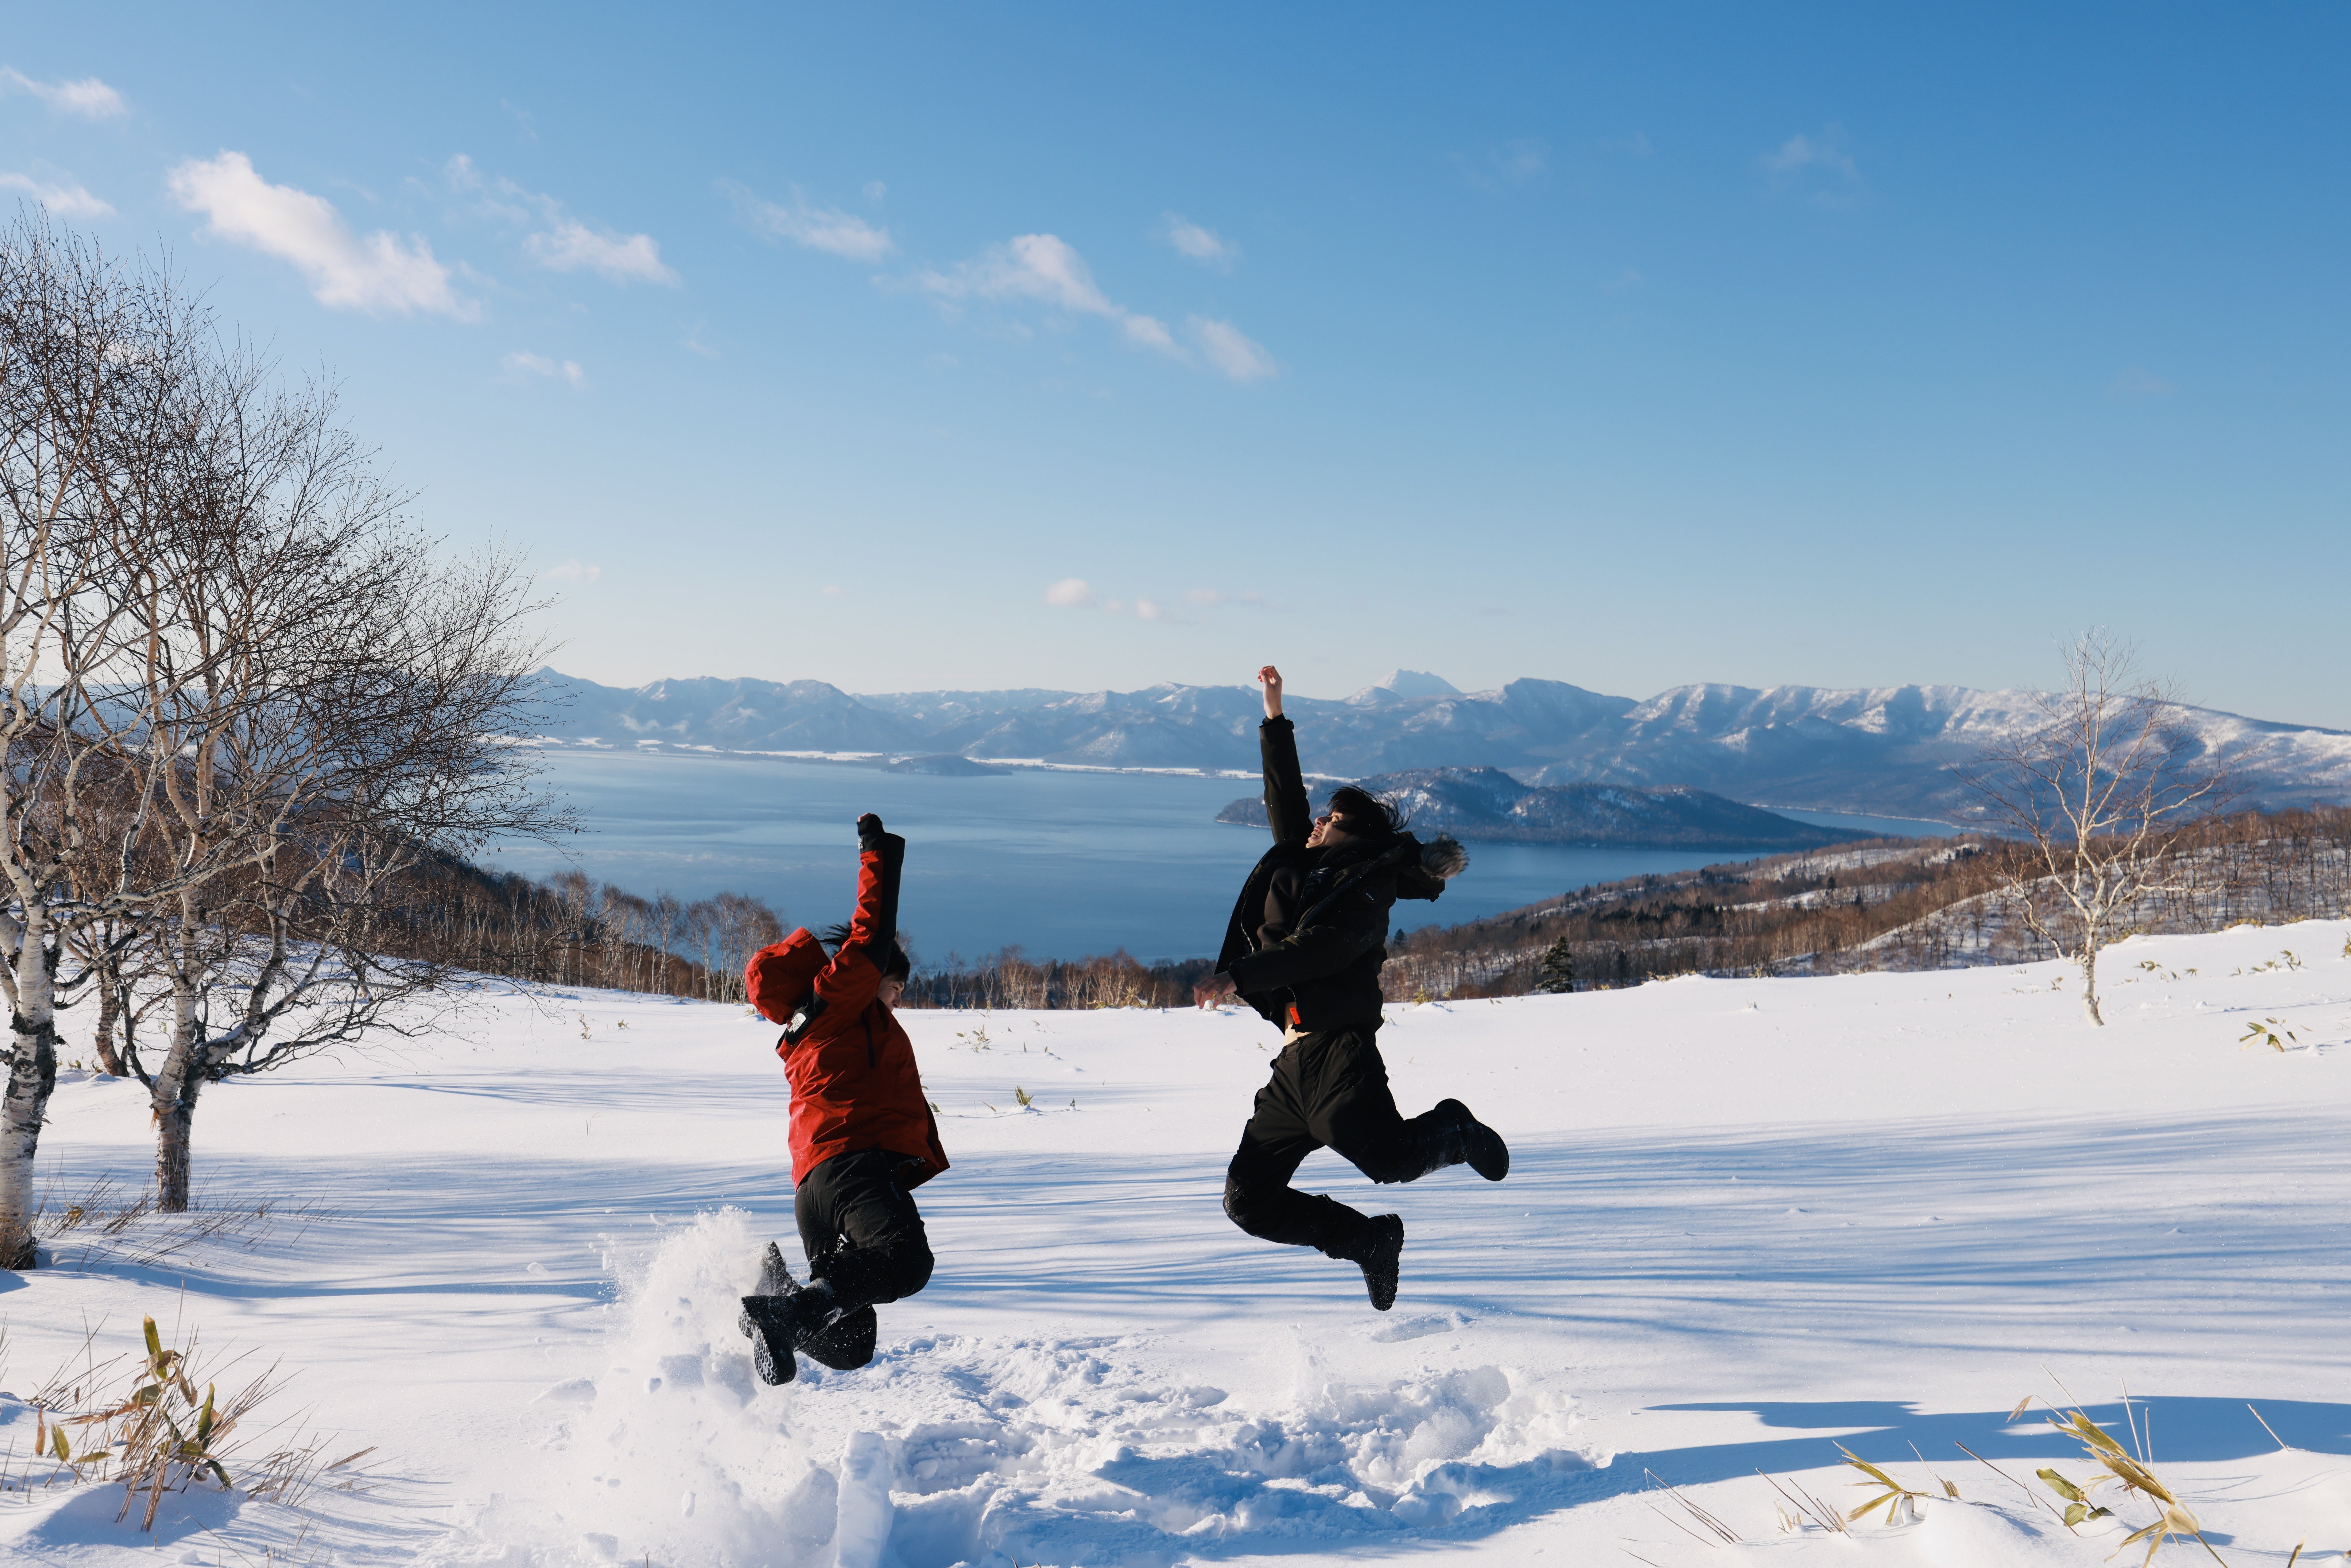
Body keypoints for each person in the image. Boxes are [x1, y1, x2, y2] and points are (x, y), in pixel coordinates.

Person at [1196, 665, 1501, 1311]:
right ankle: (1366, 1240)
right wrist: (1274, 715)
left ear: (1355, 835)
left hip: (1339, 1049)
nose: (1316, 823)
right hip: (1295, 1057)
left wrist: (1238, 975)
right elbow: (1285, 798)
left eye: (1330, 818)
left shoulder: (1366, 887)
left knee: (1390, 1160)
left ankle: (1452, 1128)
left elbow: (1323, 949)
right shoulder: (1303, 865)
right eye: (1323, 815)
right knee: (1248, 1199)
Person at [738, 812, 948, 1385]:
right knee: (907, 1260)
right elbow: (872, 934)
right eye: (893, 988)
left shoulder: (803, 1034)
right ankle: (782, 1312)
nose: (894, 1000)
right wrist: (875, 852)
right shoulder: (837, 999)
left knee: (852, 1341)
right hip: (850, 1165)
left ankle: (778, 1293)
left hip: (816, 1187)